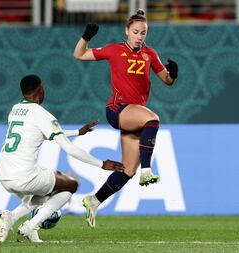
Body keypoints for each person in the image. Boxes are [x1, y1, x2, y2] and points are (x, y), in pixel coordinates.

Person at [73, 9, 178, 228]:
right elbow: (79, 55)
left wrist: (173, 74)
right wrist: (86, 37)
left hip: (134, 115)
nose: (140, 36)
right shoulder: (114, 50)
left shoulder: (150, 54)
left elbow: (167, 80)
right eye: (136, 32)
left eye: (143, 33)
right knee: (153, 120)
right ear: (127, 31)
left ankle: (94, 200)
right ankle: (147, 170)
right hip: (118, 110)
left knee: (127, 170)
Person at [0, 74, 124, 242]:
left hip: (3, 174)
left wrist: (78, 132)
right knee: (70, 184)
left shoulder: (15, 110)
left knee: (42, 196)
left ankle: (11, 217)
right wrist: (101, 163)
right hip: (24, 176)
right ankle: (31, 226)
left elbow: (43, 133)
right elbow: (69, 149)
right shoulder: (42, 114)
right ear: (40, 89)